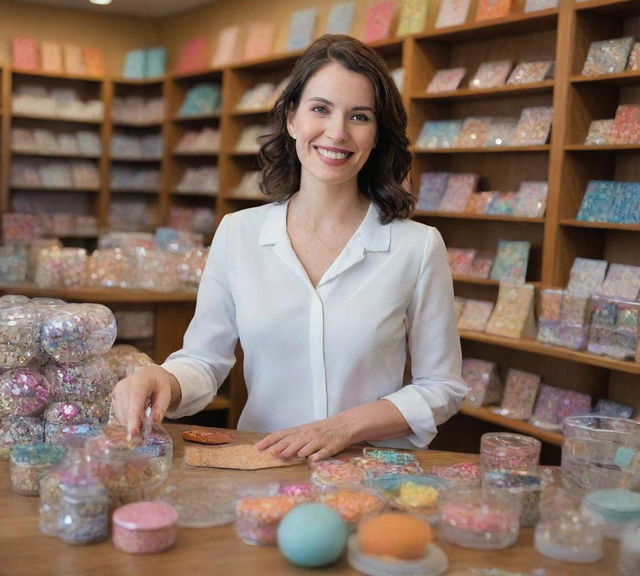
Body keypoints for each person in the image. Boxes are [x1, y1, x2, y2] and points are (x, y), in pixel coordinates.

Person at [111, 34, 466, 461]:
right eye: (320, 109)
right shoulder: (238, 233)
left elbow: (441, 386)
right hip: (263, 464)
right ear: (292, 118)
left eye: (359, 116)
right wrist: (162, 379)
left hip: (366, 470)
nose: (337, 132)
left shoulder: (418, 246)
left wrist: (344, 426)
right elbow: (205, 360)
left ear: (377, 135)